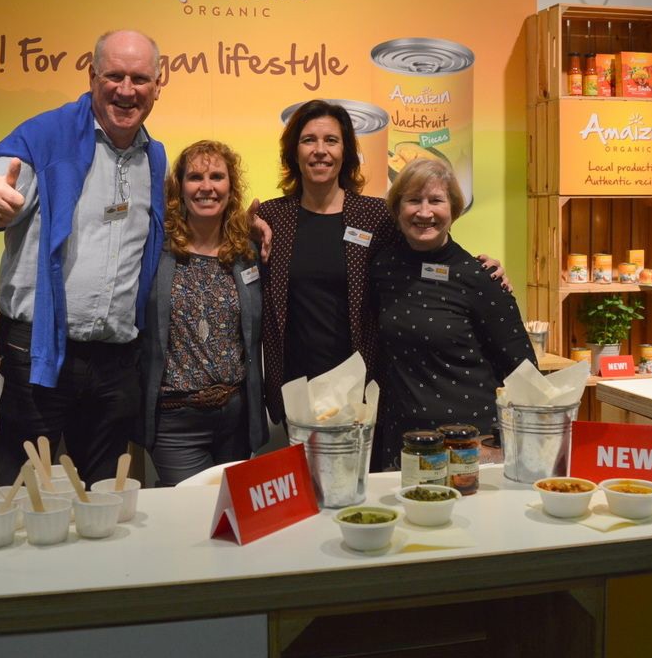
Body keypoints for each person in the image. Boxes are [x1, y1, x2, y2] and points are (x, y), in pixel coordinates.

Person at [0, 29, 166, 486]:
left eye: (139, 78)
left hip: (116, 365)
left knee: (105, 499)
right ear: (91, 75)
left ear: (159, 84)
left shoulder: (154, 159)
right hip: (37, 357)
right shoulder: (43, 139)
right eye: (114, 76)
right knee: (23, 496)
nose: (126, 90)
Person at [252, 100, 507, 428]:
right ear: (293, 152)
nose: (320, 150)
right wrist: (241, 227)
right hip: (296, 386)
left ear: (346, 151)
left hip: (364, 387)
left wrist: (478, 272)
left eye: (331, 140)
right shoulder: (273, 216)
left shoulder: (376, 216)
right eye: (308, 140)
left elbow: (428, 249)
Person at [370, 158, 535, 470]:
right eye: (413, 200)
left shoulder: (480, 277)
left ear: (454, 209)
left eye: (436, 200)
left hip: (469, 445)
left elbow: (524, 372)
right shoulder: (382, 268)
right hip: (402, 440)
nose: (424, 212)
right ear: (397, 209)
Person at [139, 141, 267, 485]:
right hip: (175, 421)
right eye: (195, 177)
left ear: (231, 187)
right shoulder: (154, 250)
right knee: (192, 510)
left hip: (236, 420)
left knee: (230, 511)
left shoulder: (247, 253)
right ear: (179, 187)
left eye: (217, 177)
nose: (206, 187)